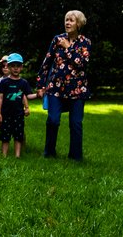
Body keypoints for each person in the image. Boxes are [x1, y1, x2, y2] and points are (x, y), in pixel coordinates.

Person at [37, 10, 92, 161]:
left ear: (79, 24)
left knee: (75, 124)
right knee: (53, 120)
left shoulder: (85, 42)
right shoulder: (57, 39)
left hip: (77, 90)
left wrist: (68, 47)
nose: (67, 23)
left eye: (71, 20)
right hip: (55, 88)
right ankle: (49, 152)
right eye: (66, 20)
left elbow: (82, 64)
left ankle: (75, 157)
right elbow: (47, 62)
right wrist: (41, 84)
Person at [0, 53, 37, 158]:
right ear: (8, 67)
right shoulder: (4, 82)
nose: (15, 68)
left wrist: (38, 95)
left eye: (18, 66)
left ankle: (17, 156)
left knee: (18, 136)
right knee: (5, 136)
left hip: (18, 114)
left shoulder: (23, 83)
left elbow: (28, 96)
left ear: (21, 67)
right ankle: (4, 155)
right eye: (13, 66)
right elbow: (0, 97)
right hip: (6, 114)